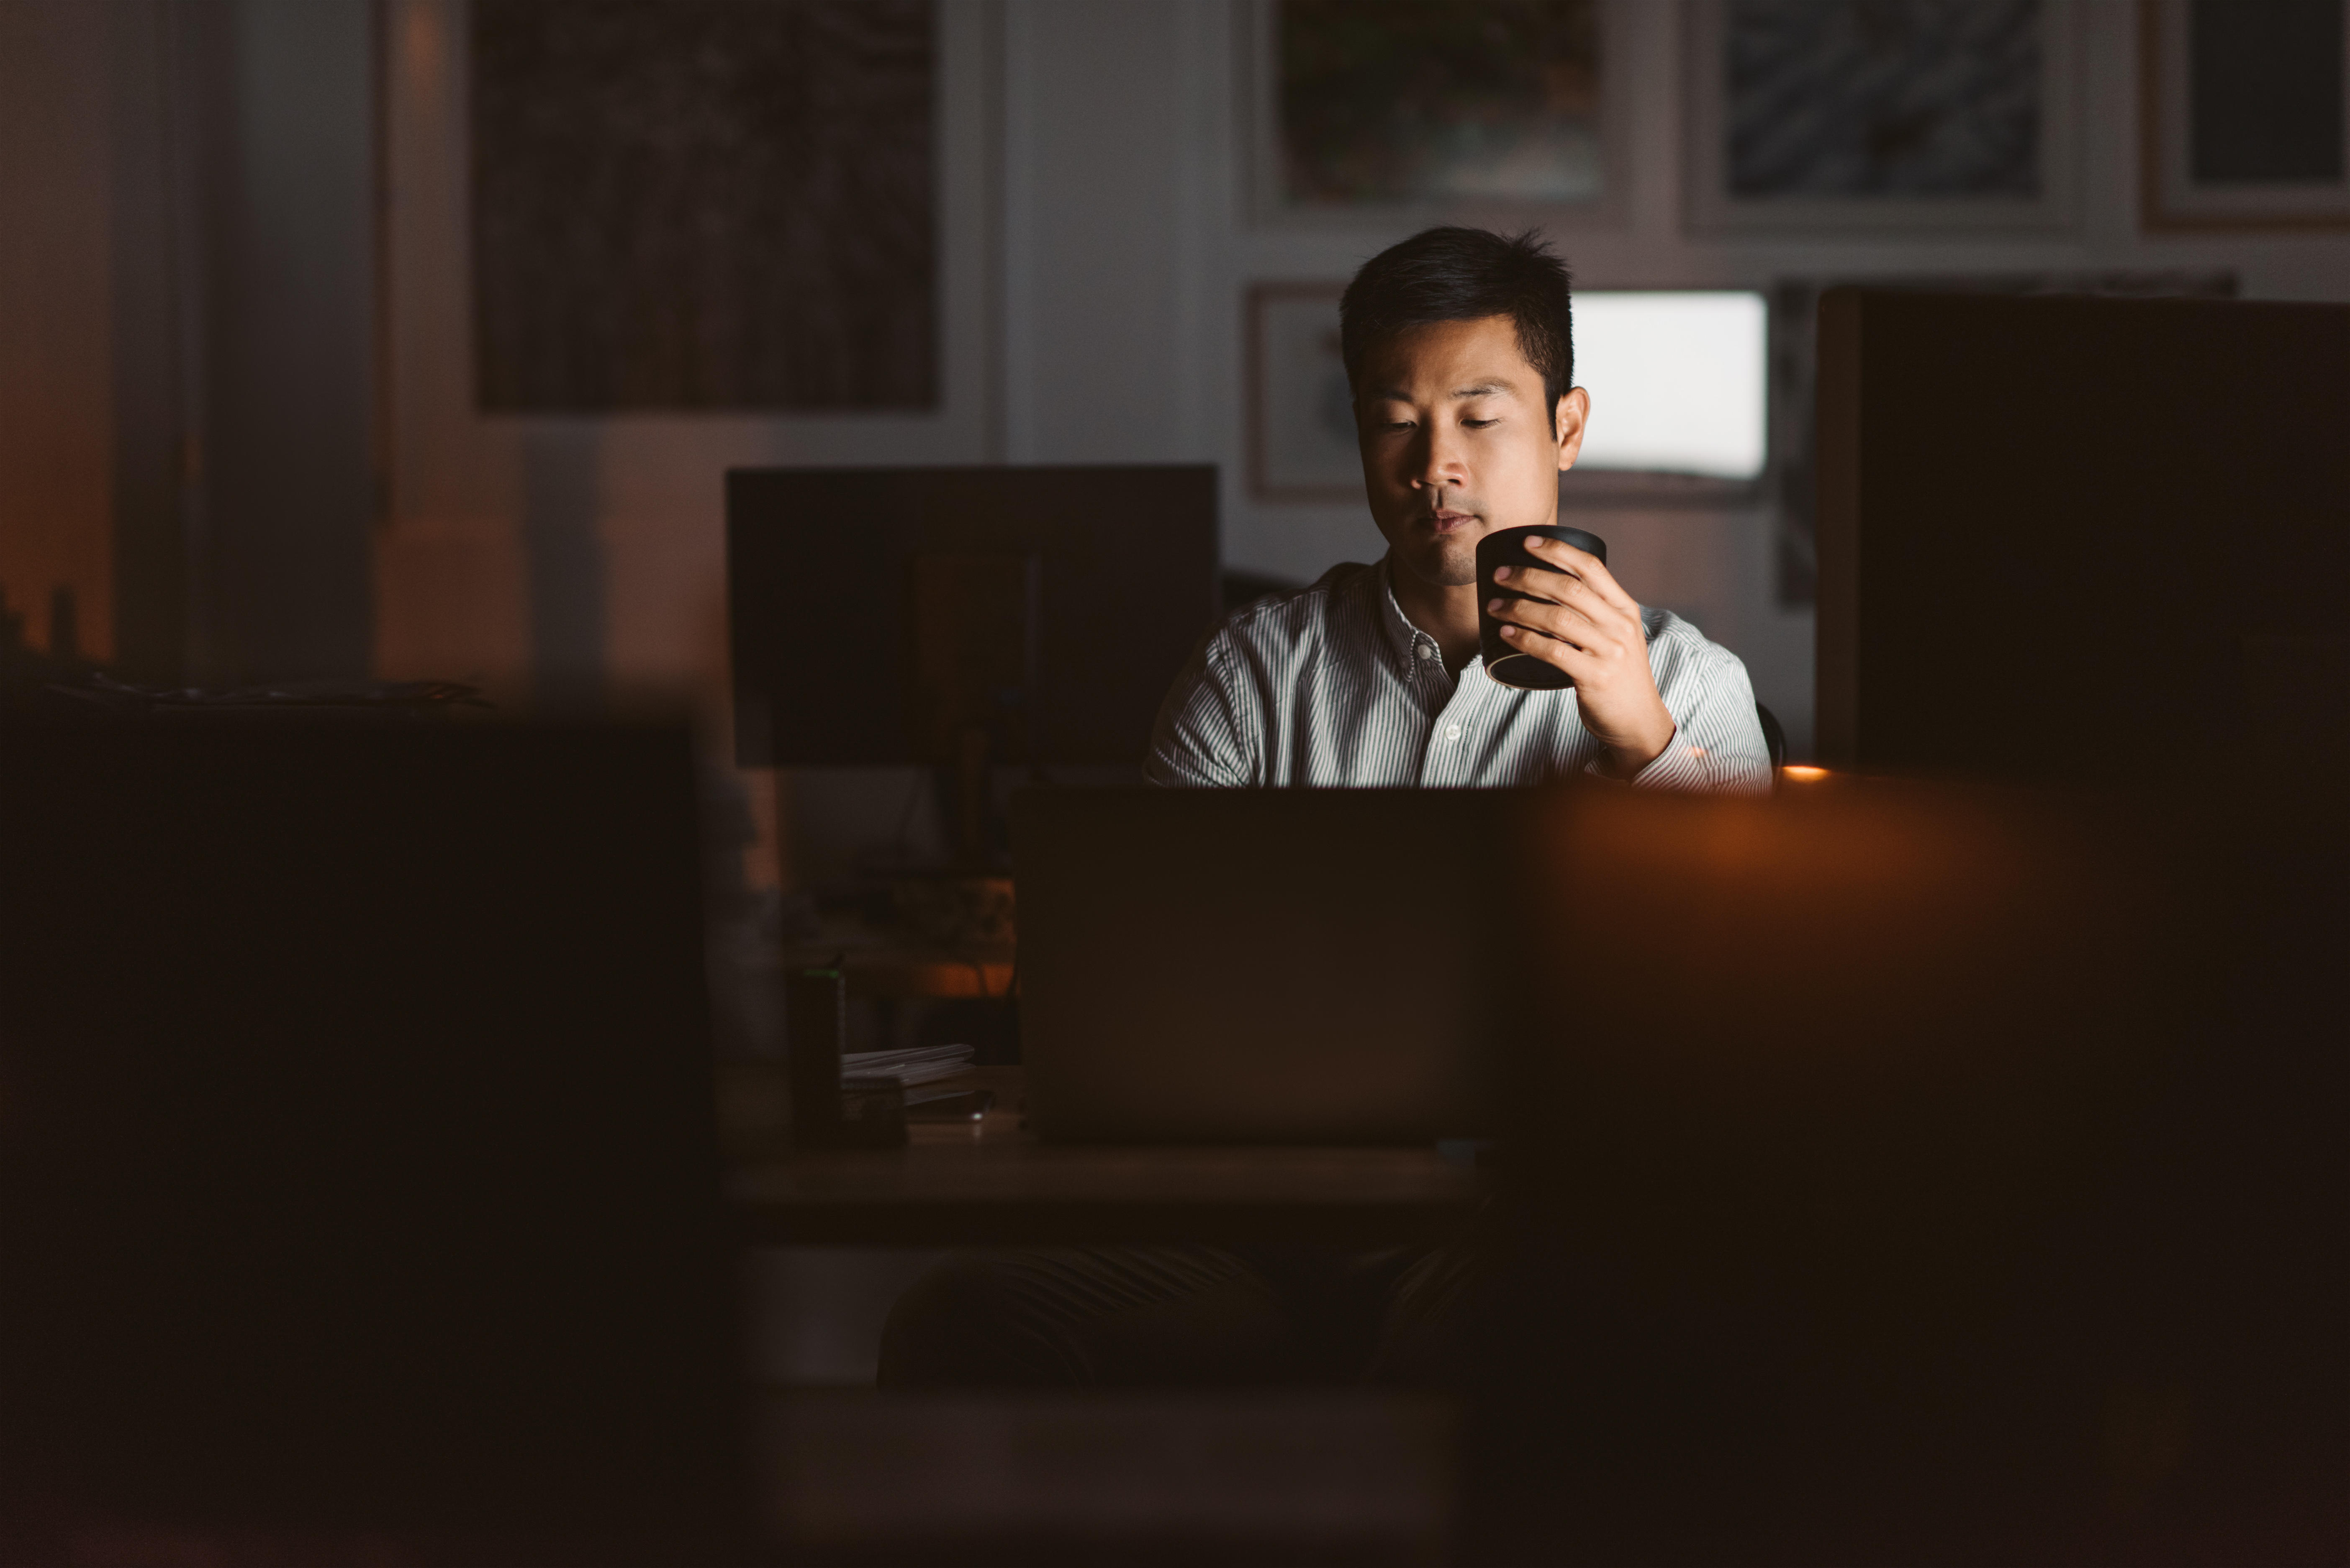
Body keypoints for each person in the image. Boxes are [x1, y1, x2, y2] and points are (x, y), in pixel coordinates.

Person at [879, 227, 1769, 1390]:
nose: (1433, 465)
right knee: (961, 1317)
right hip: (1243, 1232)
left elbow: (1757, 1016)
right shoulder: (1252, 672)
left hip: (1510, 1228)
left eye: (1480, 415)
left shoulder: (1692, 684)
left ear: (1566, 425)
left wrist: (1639, 740)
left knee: (1509, 1337)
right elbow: (1134, 975)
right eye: (1393, 419)